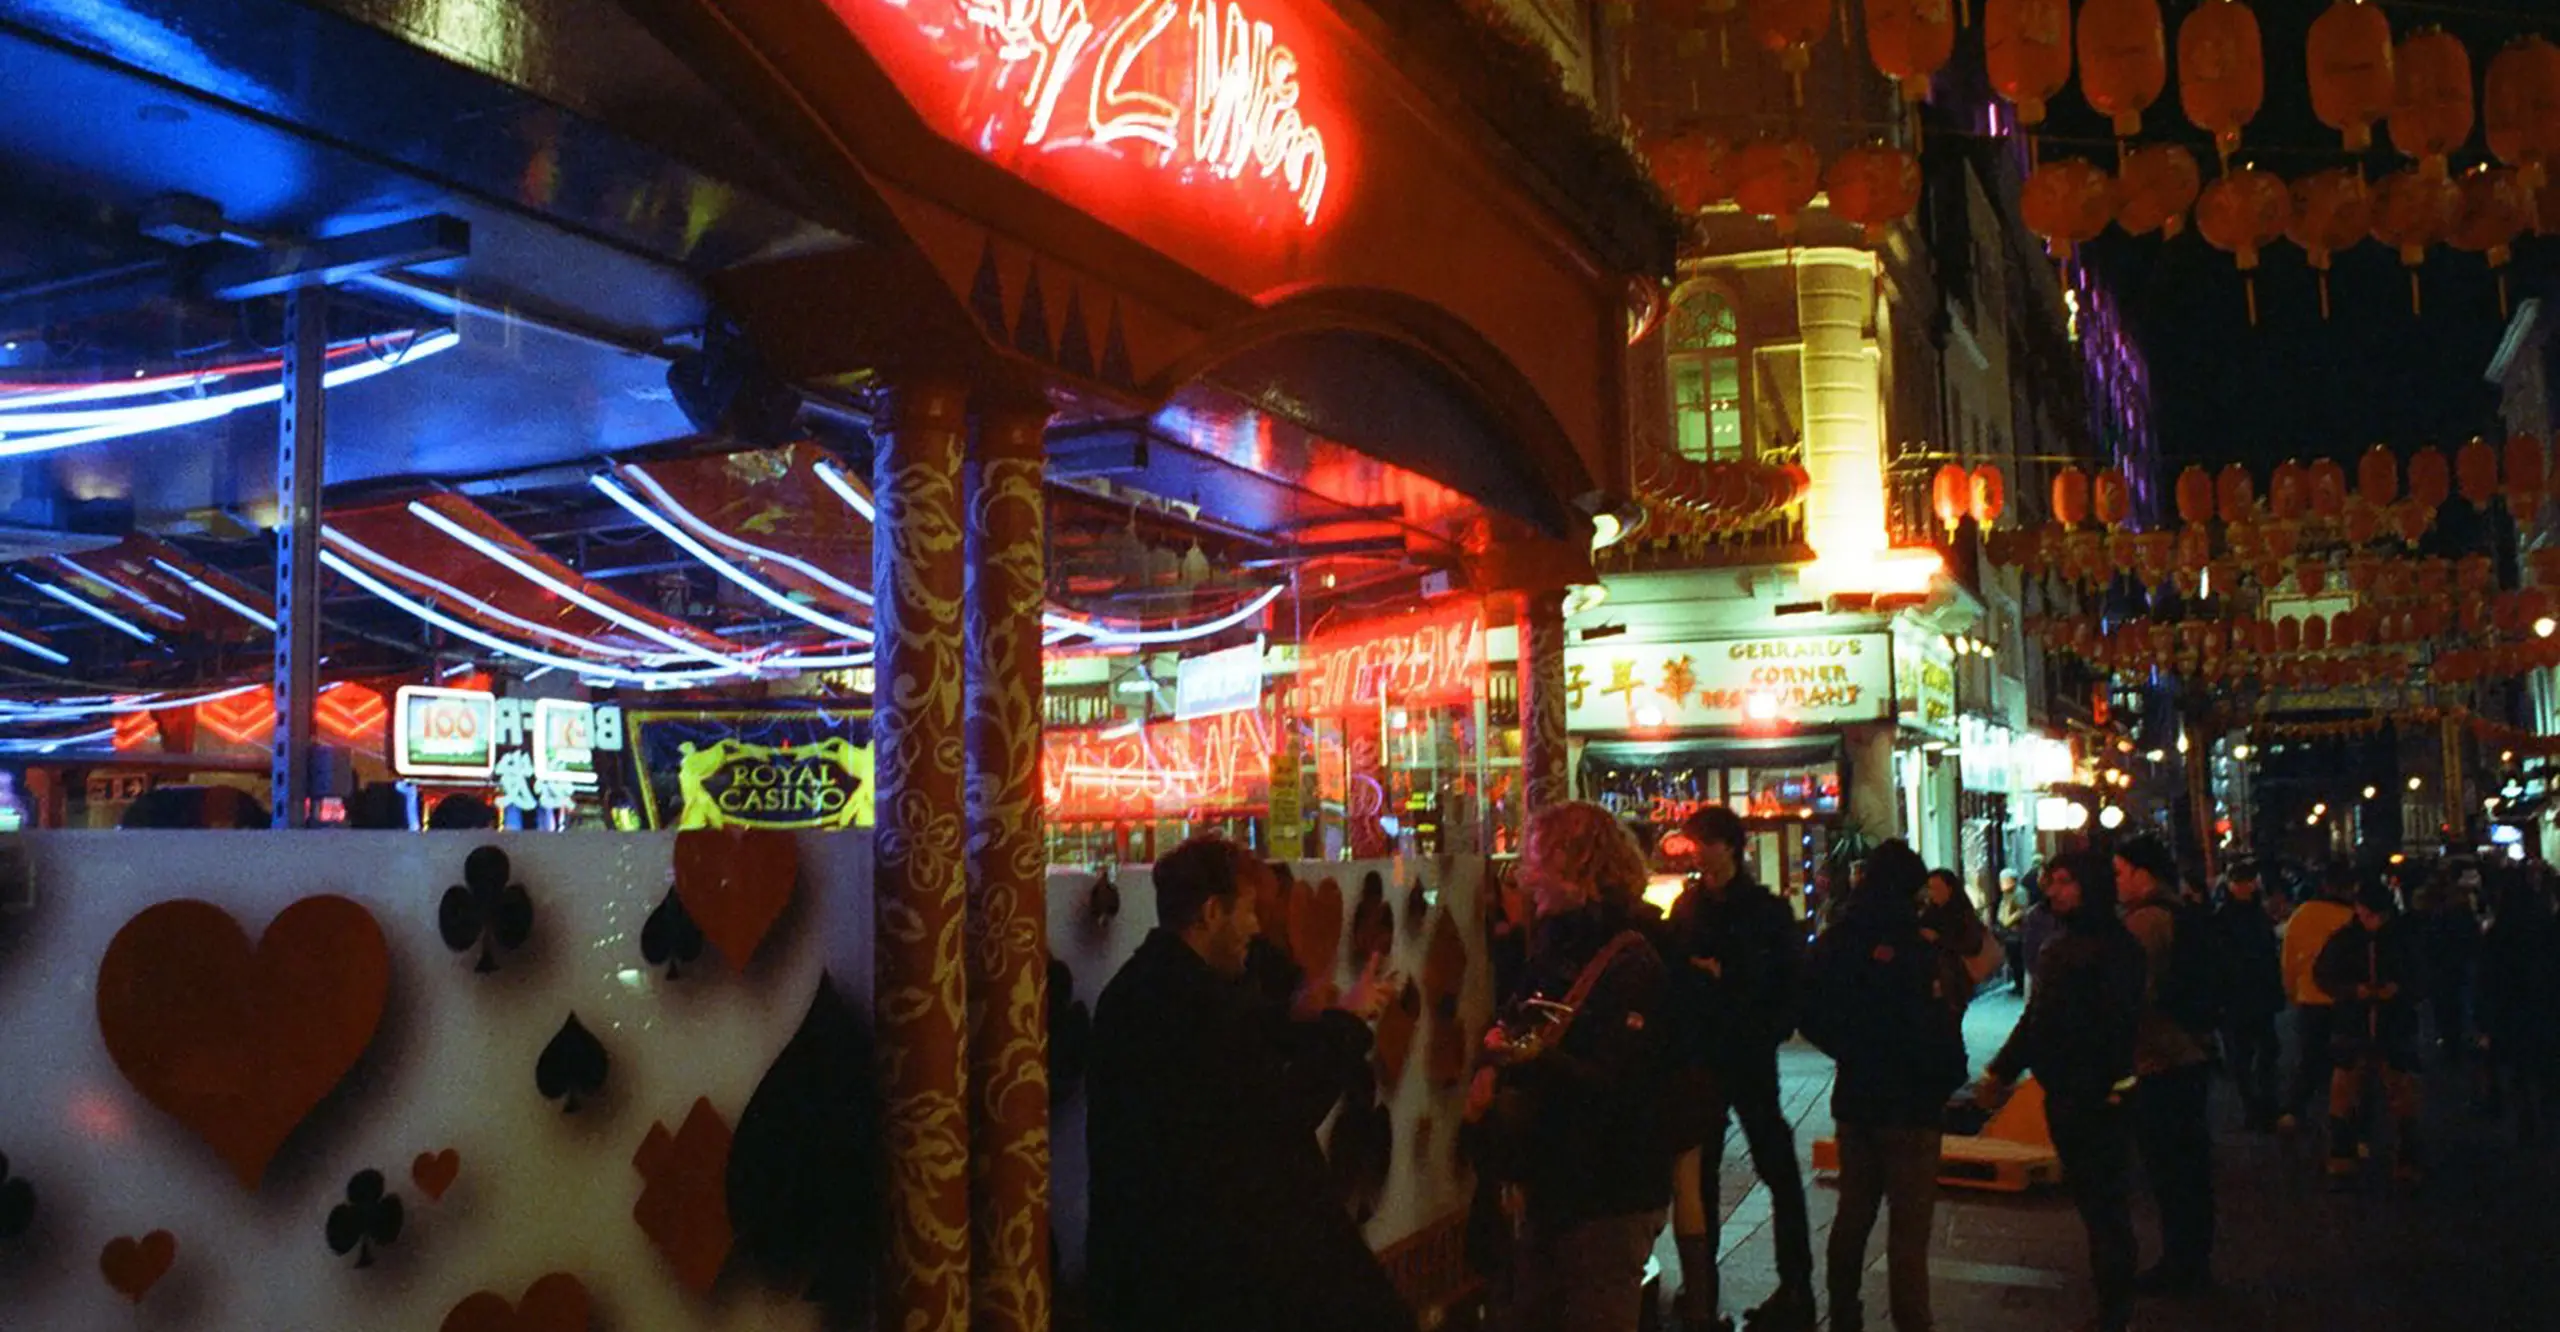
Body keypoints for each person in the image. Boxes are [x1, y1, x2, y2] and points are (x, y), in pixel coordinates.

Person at [1086, 836, 1412, 1332]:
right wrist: (1346, 1023)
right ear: (1212, 912)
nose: (1257, 927)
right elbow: (1282, 1113)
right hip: (1208, 1281)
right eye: (1249, 911)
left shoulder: (1142, 990)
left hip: (1150, 1277)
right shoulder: (1197, 1008)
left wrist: (1314, 1018)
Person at [1466, 802, 1673, 1332]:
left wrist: (1533, 1060)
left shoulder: (1631, 958)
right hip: (1555, 1182)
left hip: (1608, 1191)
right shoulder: (1557, 945)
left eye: (1541, 861)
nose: (1529, 877)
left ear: (1580, 869)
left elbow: (1623, 1085)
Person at [1799, 840, 1967, 1332]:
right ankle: (1913, 1322)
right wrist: (1946, 1077)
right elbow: (1939, 1022)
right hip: (1912, 1102)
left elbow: (1806, 1006)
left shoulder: (1838, 938)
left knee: (1853, 1214)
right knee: (1909, 1230)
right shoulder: (1918, 945)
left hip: (1858, 1095)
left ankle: (1844, 1314)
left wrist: (1847, 1047)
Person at [1976, 851, 2147, 1332]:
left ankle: (2114, 1312)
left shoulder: (2102, 949)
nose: (2054, 890)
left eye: (2066, 881)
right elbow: (2038, 1021)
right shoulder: (2079, 944)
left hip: (2091, 1095)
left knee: (2104, 1207)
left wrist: (2006, 1069)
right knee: (2099, 1207)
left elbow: (2058, 1022)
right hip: (2079, 1091)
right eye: (2052, 881)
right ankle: (2113, 1307)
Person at [1660, 804, 1814, 1332]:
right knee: (1699, 1175)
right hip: (1703, 1056)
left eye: (1703, 841)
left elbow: (1787, 983)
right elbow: (1674, 971)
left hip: (1747, 1054)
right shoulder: (1688, 906)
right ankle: (1701, 1291)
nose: (1695, 851)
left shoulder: (1764, 911)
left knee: (1776, 1164)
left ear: (1729, 846)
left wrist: (1740, 994)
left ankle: (1796, 1284)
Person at [2114, 834, 2215, 1295]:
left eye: (2119, 873)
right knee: (2189, 1165)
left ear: (2141, 872)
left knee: (2171, 1168)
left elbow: (2137, 992)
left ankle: (2181, 1264)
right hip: (2191, 1051)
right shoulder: (2179, 911)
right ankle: (2191, 1260)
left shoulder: (2147, 922)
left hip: (2162, 1055)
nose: (2115, 883)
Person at [2315, 879, 2425, 1189]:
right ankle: (2342, 1159)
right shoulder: (2345, 940)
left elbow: (2421, 976)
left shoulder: (2403, 939)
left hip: (2394, 1028)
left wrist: (2399, 990)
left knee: (2403, 1099)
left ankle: (2406, 1162)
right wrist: (2353, 991)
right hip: (2353, 1028)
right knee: (2344, 1097)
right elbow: (2323, 975)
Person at [2476, 869, 2560, 1145]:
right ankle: (2549, 1116)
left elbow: (2487, 979)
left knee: (2519, 1069)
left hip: (2510, 1011)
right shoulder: (2547, 927)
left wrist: (2484, 1021)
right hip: (2545, 1005)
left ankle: (2526, 1119)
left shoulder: (2498, 934)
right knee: (2547, 1067)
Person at [2278, 863, 2360, 1135]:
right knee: (2346, 1062)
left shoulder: (2302, 915)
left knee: (2308, 1058)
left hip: (2309, 998)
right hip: (2344, 999)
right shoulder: (2352, 918)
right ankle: (2345, 1119)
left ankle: (2294, 1109)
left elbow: (2289, 959)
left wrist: (2292, 990)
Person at [2214, 862, 2287, 1131]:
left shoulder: (2254, 913)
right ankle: (2254, 1107)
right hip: (2240, 995)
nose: (2247, 886)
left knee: (2266, 1050)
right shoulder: (2227, 917)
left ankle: (2264, 1103)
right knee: (2245, 1054)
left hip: (2255, 993)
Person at [1918, 867, 1995, 1017]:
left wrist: (1938, 939)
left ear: (1950, 888)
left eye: (1937, 888)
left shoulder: (1961, 914)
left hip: (1953, 981)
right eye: (1930, 888)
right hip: (1932, 981)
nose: (1932, 893)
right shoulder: (1929, 913)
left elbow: (1971, 945)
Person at [1995, 870, 2029, 995]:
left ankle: (2020, 984)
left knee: (2018, 959)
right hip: (2010, 933)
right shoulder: (2007, 894)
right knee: (2013, 959)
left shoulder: (2019, 893)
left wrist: (2008, 920)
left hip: (2017, 933)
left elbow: (2021, 911)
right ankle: (2018, 983)